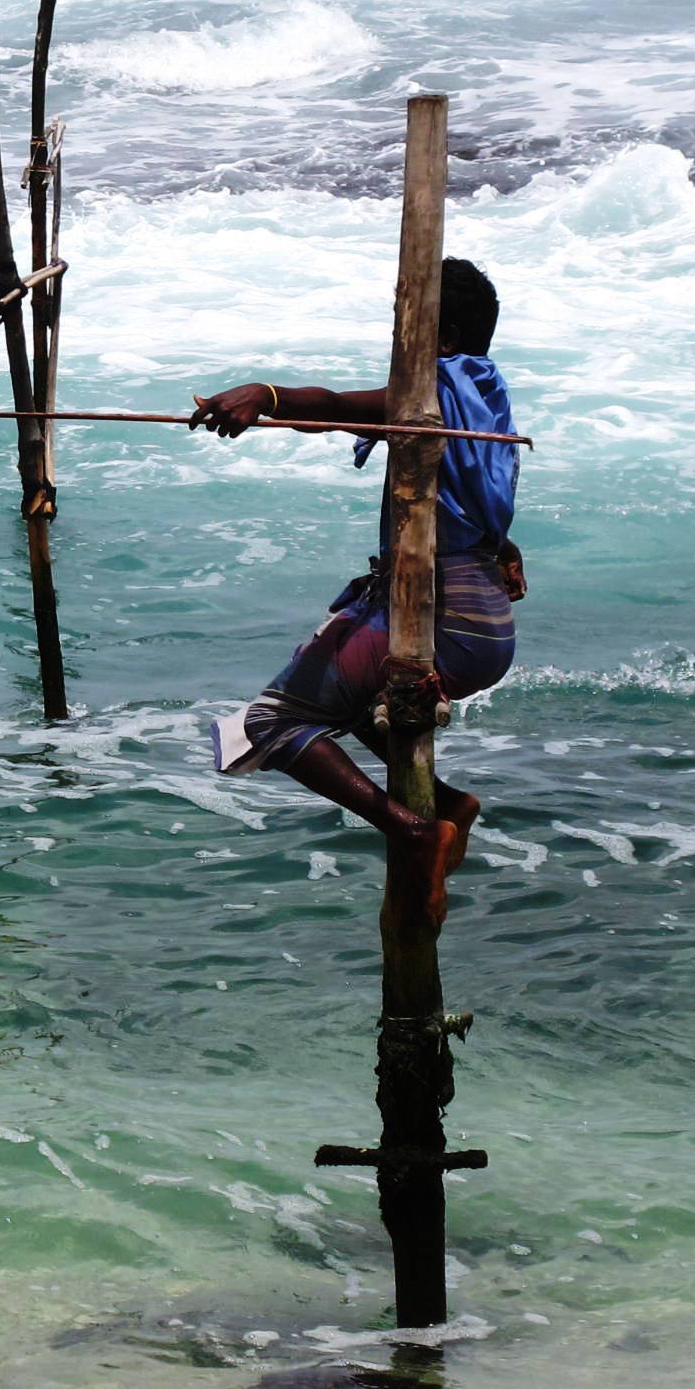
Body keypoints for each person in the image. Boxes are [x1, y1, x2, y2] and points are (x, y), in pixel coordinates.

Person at [189, 256, 524, 928]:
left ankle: (415, 830)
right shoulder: (484, 390)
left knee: (271, 721)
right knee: (344, 702)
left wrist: (266, 395)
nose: (398, 338)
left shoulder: (432, 392)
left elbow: (341, 408)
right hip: (484, 622)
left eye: (408, 323)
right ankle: (449, 804)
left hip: (443, 623)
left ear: (445, 336)